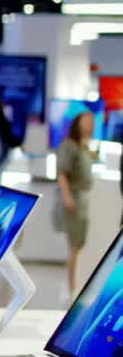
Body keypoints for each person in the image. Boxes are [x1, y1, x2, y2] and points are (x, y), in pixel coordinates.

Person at [58, 110, 97, 294]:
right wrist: (67, 196)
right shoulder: (69, 146)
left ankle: (74, 284)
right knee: (74, 245)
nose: (90, 125)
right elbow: (62, 173)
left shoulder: (84, 146)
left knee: (78, 244)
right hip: (73, 198)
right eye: (86, 121)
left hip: (83, 199)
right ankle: (72, 287)